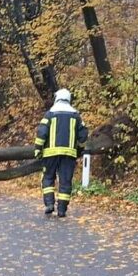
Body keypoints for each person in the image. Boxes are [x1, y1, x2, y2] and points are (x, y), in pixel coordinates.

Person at [34, 88, 89, 218]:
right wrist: (79, 150)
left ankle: (49, 204)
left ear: (56, 98)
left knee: (48, 178)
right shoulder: (76, 116)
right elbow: (83, 136)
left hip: (50, 154)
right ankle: (62, 210)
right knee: (65, 182)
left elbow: (41, 133)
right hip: (68, 155)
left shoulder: (50, 114)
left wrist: (38, 149)